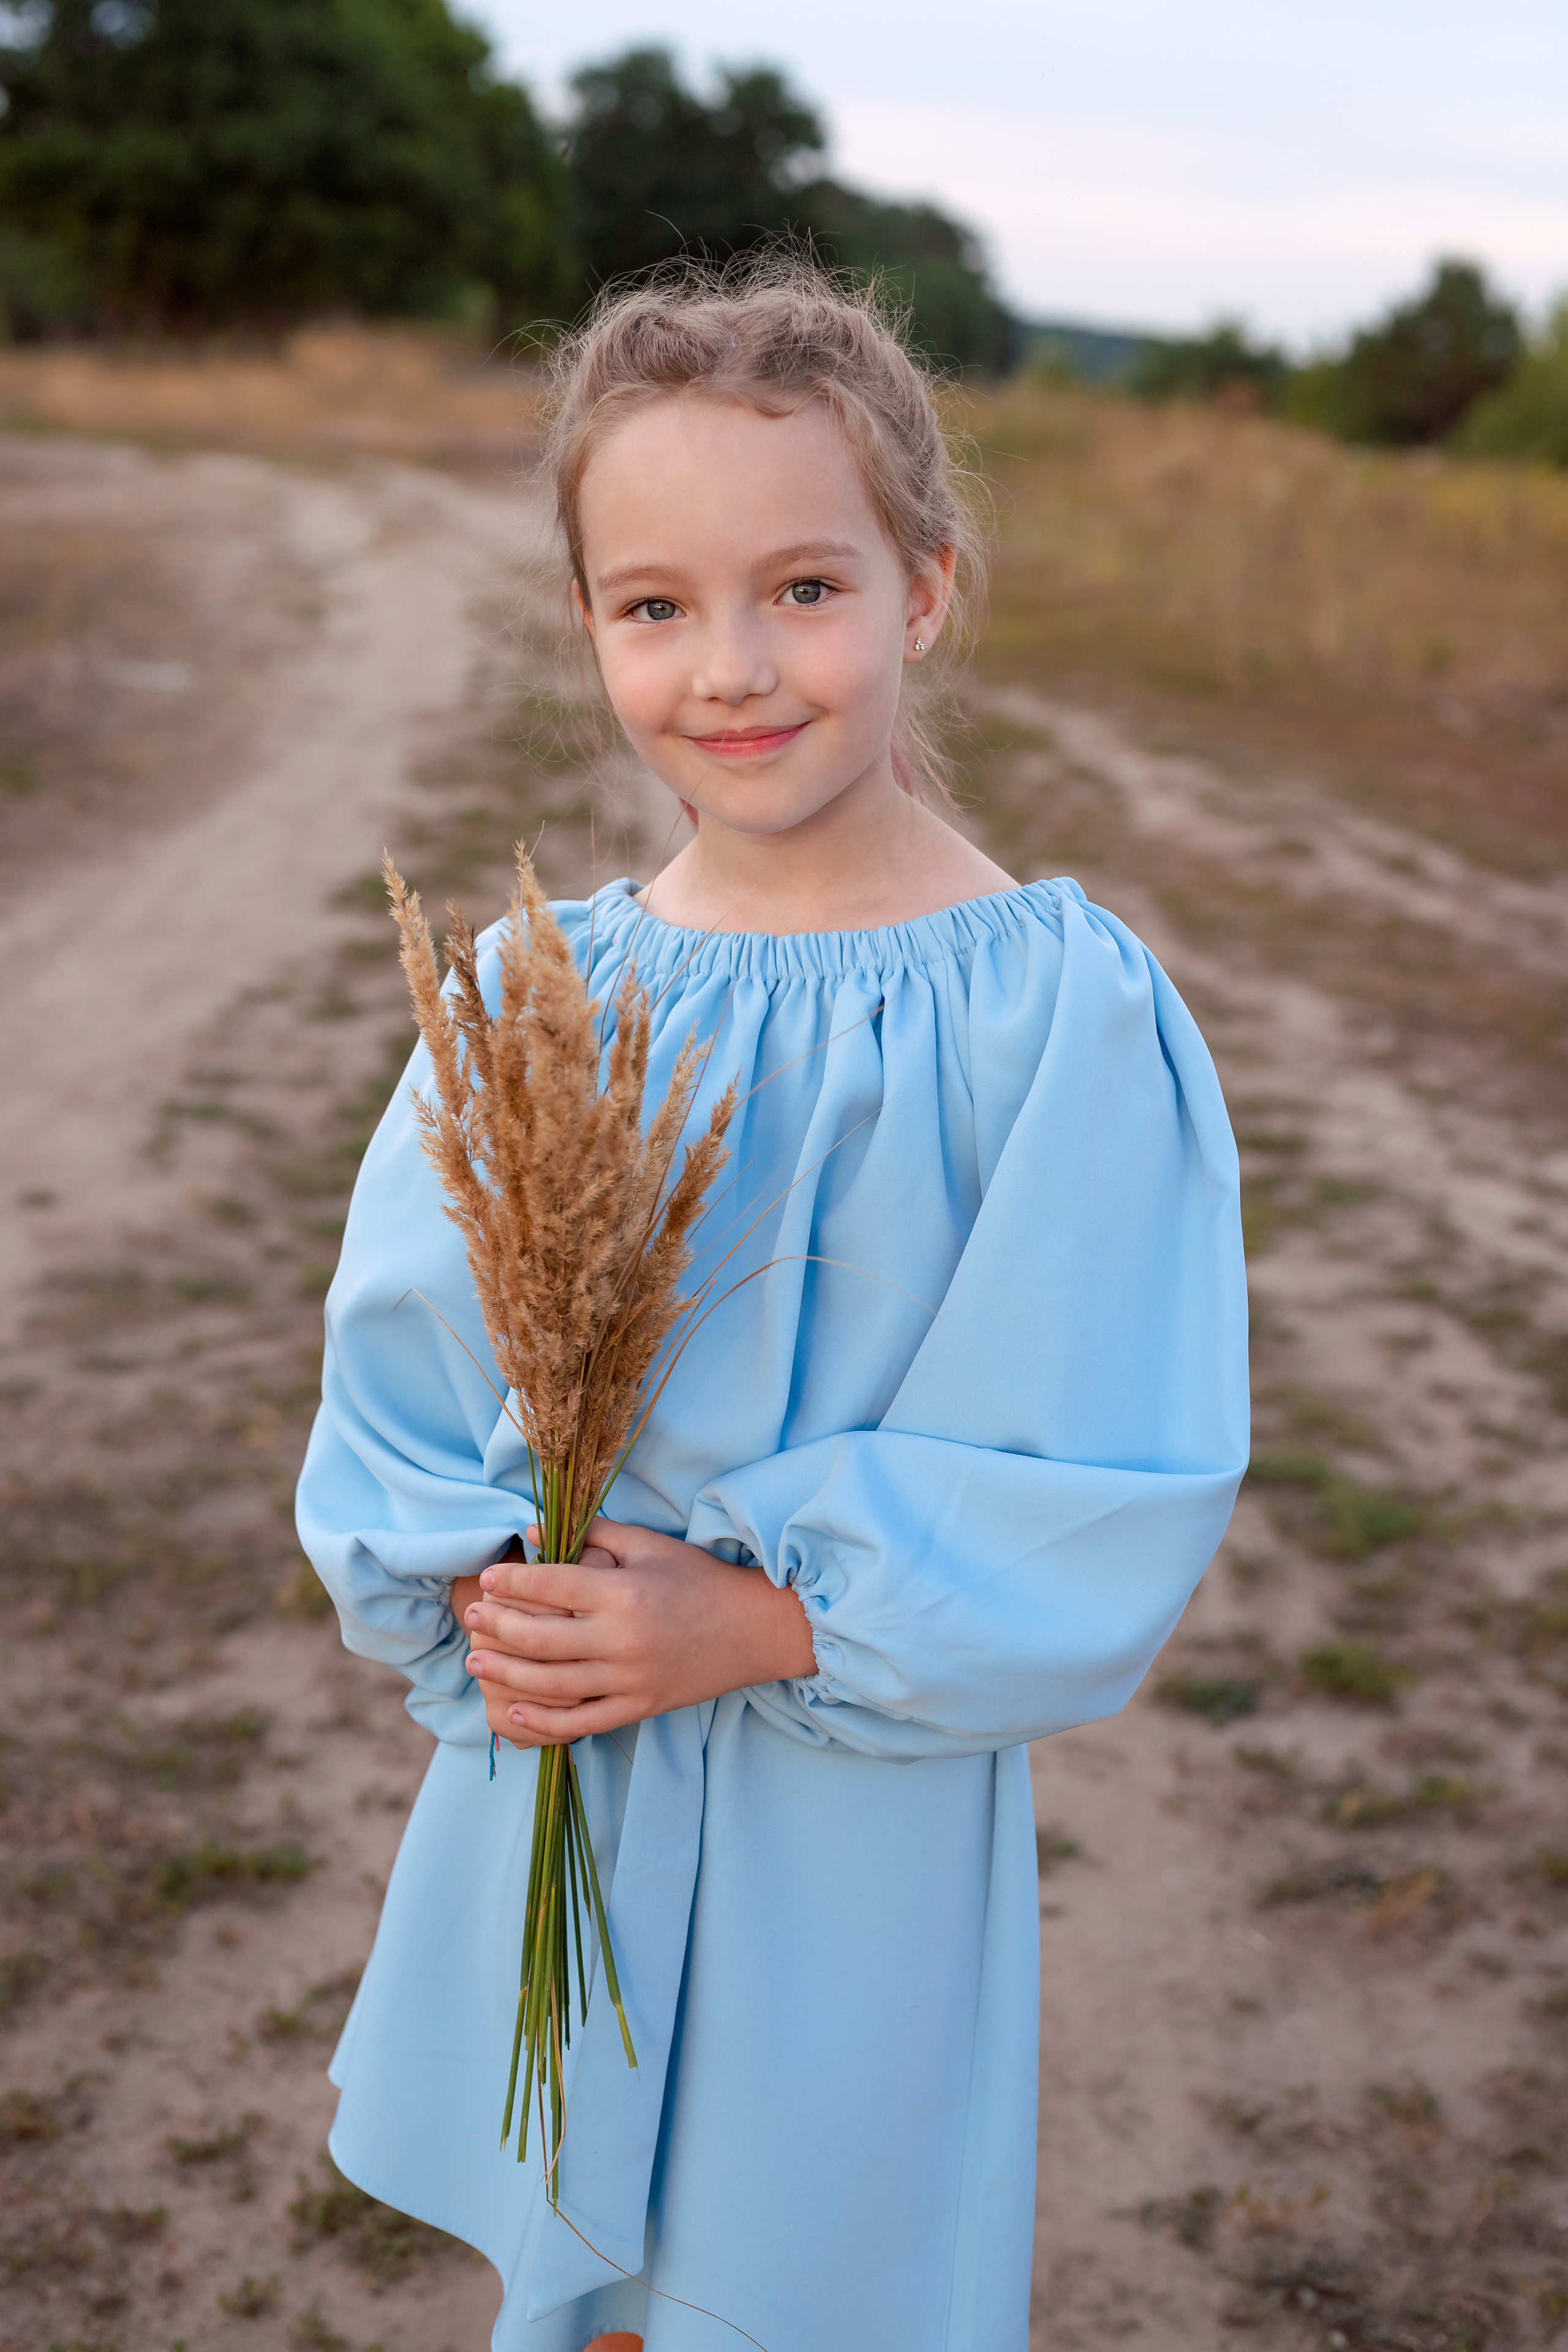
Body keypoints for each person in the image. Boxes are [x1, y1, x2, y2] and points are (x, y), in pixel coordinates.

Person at [296, 260, 1250, 2352]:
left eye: (803, 589)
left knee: (800, 2283)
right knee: (603, 2294)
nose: (730, 667)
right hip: (577, 1769)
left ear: (925, 591)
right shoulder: (535, 996)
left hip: (855, 1821)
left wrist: (766, 1620)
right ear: (590, 627)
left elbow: (1109, 1469)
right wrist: (488, 1596)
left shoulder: (1058, 1014)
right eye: (655, 606)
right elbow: (402, 1392)